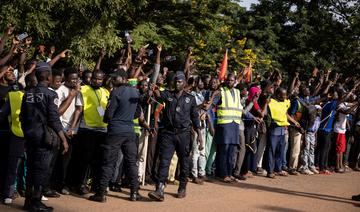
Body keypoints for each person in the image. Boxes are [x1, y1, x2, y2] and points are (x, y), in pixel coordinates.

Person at [89, 70, 145, 202]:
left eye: (115, 78)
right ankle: (134, 192)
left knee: (108, 162)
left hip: (115, 131)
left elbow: (108, 115)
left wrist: (111, 119)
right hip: (130, 131)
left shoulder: (116, 92)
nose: (112, 80)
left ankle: (101, 193)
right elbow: (137, 113)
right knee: (131, 162)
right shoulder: (135, 92)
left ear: (123, 78)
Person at [20, 62, 68, 212]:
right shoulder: (51, 94)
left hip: (30, 137)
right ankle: (36, 202)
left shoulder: (27, 93)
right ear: (48, 76)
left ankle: (28, 201)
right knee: (41, 170)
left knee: (31, 168)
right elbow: (54, 119)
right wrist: (64, 139)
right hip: (44, 138)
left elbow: (22, 117)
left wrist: (27, 133)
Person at [148, 71, 202, 201]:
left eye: (180, 81)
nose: (177, 83)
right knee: (164, 161)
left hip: (184, 134)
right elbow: (157, 93)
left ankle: (182, 187)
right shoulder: (168, 94)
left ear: (184, 83)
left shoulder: (191, 98)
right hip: (168, 133)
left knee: (184, 162)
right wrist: (153, 87)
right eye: (175, 81)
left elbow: (195, 117)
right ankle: (160, 188)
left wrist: (199, 134)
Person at [70, 70, 109, 195]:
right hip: (87, 128)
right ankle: (81, 184)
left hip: (102, 129)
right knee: (85, 159)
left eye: (100, 79)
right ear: (91, 79)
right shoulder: (83, 89)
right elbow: (78, 110)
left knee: (98, 160)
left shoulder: (106, 91)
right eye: (95, 79)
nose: (97, 81)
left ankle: (95, 185)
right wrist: (72, 127)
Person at [266, 87, 300, 178]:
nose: (285, 96)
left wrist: (294, 121)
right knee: (271, 150)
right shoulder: (271, 102)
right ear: (278, 94)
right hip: (274, 128)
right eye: (283, 95)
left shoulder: (285, 102)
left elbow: (285, 113)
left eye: (285, 95)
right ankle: (270, 171)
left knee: (280, 151)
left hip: (283, 129)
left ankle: (279, 169)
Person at [214, 73, 242, 183]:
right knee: (223, 151)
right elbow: (213, 104)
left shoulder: (237, 92)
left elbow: (240, 108)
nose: (230, 82)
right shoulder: (221, 91)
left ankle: (230, 173)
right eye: (228, 80)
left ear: (235, 81)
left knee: (232, 151)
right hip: (224, 125)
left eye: (232, 80)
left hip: (235, 125)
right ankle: (223, 174)